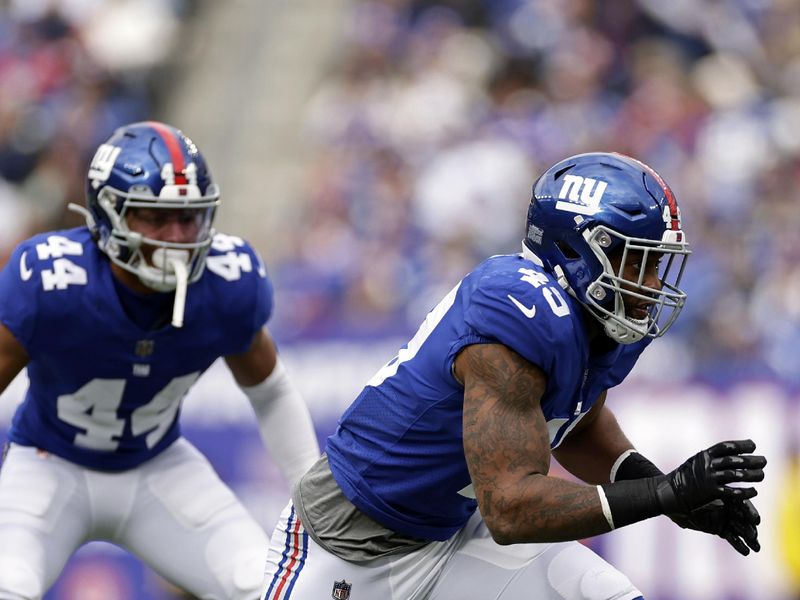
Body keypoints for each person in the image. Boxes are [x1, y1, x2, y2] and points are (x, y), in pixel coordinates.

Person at [261, 152, 766, 600]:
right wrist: (665, 494)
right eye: (638, 262)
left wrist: (670, 492)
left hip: (454, 532)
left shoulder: (592, 326)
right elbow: (510, 508)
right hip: (352, 544)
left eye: (656, 264)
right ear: (578, 250)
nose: (651, 284)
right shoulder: (518, 309)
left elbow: (577, 427)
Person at [0, 121, 320, 599]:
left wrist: (312, 504)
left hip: (158, 466)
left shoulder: (226, 284)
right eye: (155, 217)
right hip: (49, 463)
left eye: (188, 218)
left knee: (264, 586)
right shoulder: (51, 282)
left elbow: (271, 391)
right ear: (109, 216)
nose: (176, 236)